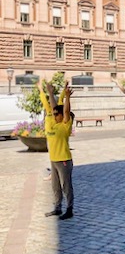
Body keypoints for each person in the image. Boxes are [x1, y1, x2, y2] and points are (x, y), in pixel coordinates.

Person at [41, 80, 74, 220]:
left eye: (57, 114)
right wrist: (49, 92)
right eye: (53, 114)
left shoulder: (65, 125)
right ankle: (57, 208)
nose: (54, 116)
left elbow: (65, 110)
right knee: (55, 187)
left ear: (62, 116)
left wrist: (67, 97)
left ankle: (69, 209)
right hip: (53, 160)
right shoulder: (53, 123)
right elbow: (54, 106)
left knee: (66, 186)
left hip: (64, 160)